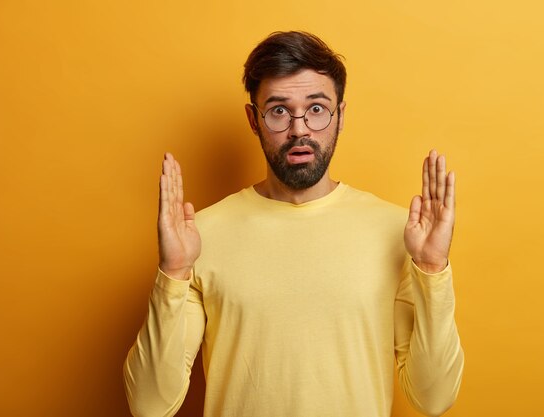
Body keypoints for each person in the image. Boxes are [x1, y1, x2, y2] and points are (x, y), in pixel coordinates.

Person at [123, 31, 464, 417]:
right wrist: (174, 271)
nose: (299, 129)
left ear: (341, 116)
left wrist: (432, 269)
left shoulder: (398, 233)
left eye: (317, 109)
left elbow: (433, 398)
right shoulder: (200, 236)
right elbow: (149, 406)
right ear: (254, 119)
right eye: (279, 111)